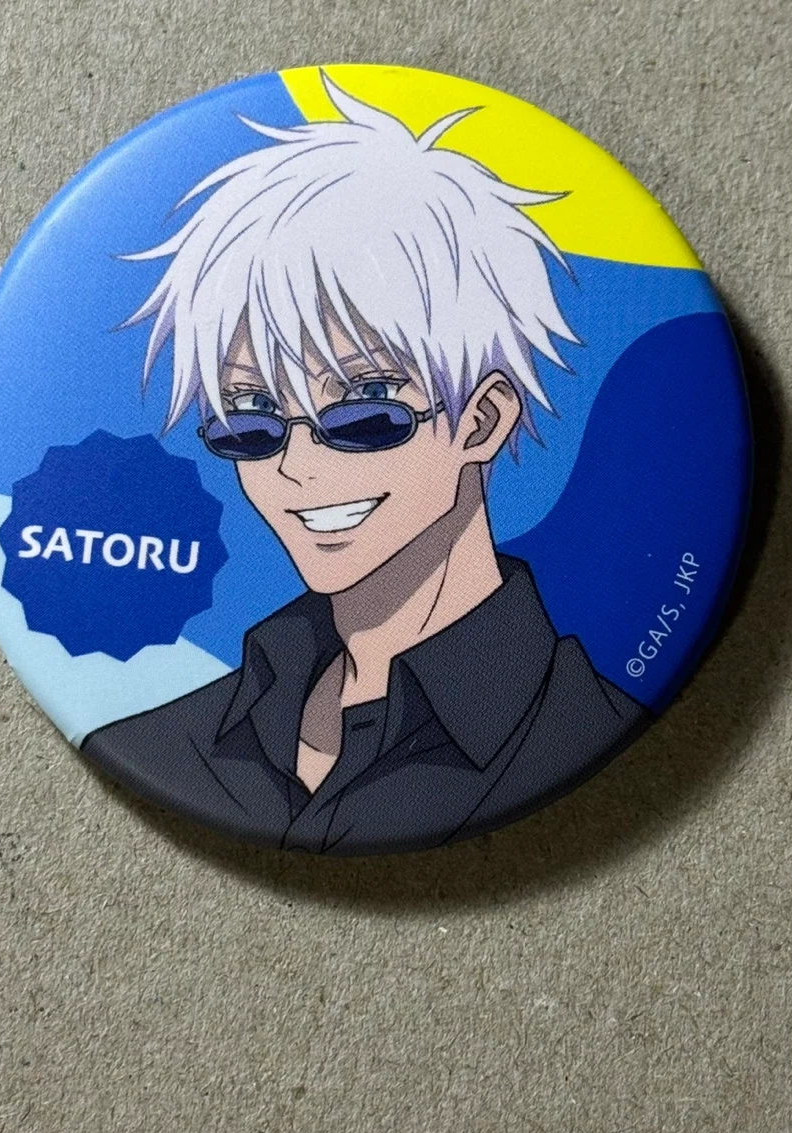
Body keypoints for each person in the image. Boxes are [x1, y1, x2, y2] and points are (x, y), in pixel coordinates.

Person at [82, 75, 648, 854]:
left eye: (365, 407)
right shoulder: (175, 741)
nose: (296, 465)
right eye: (251, 418)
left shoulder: (578, 731)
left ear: (481, 420)